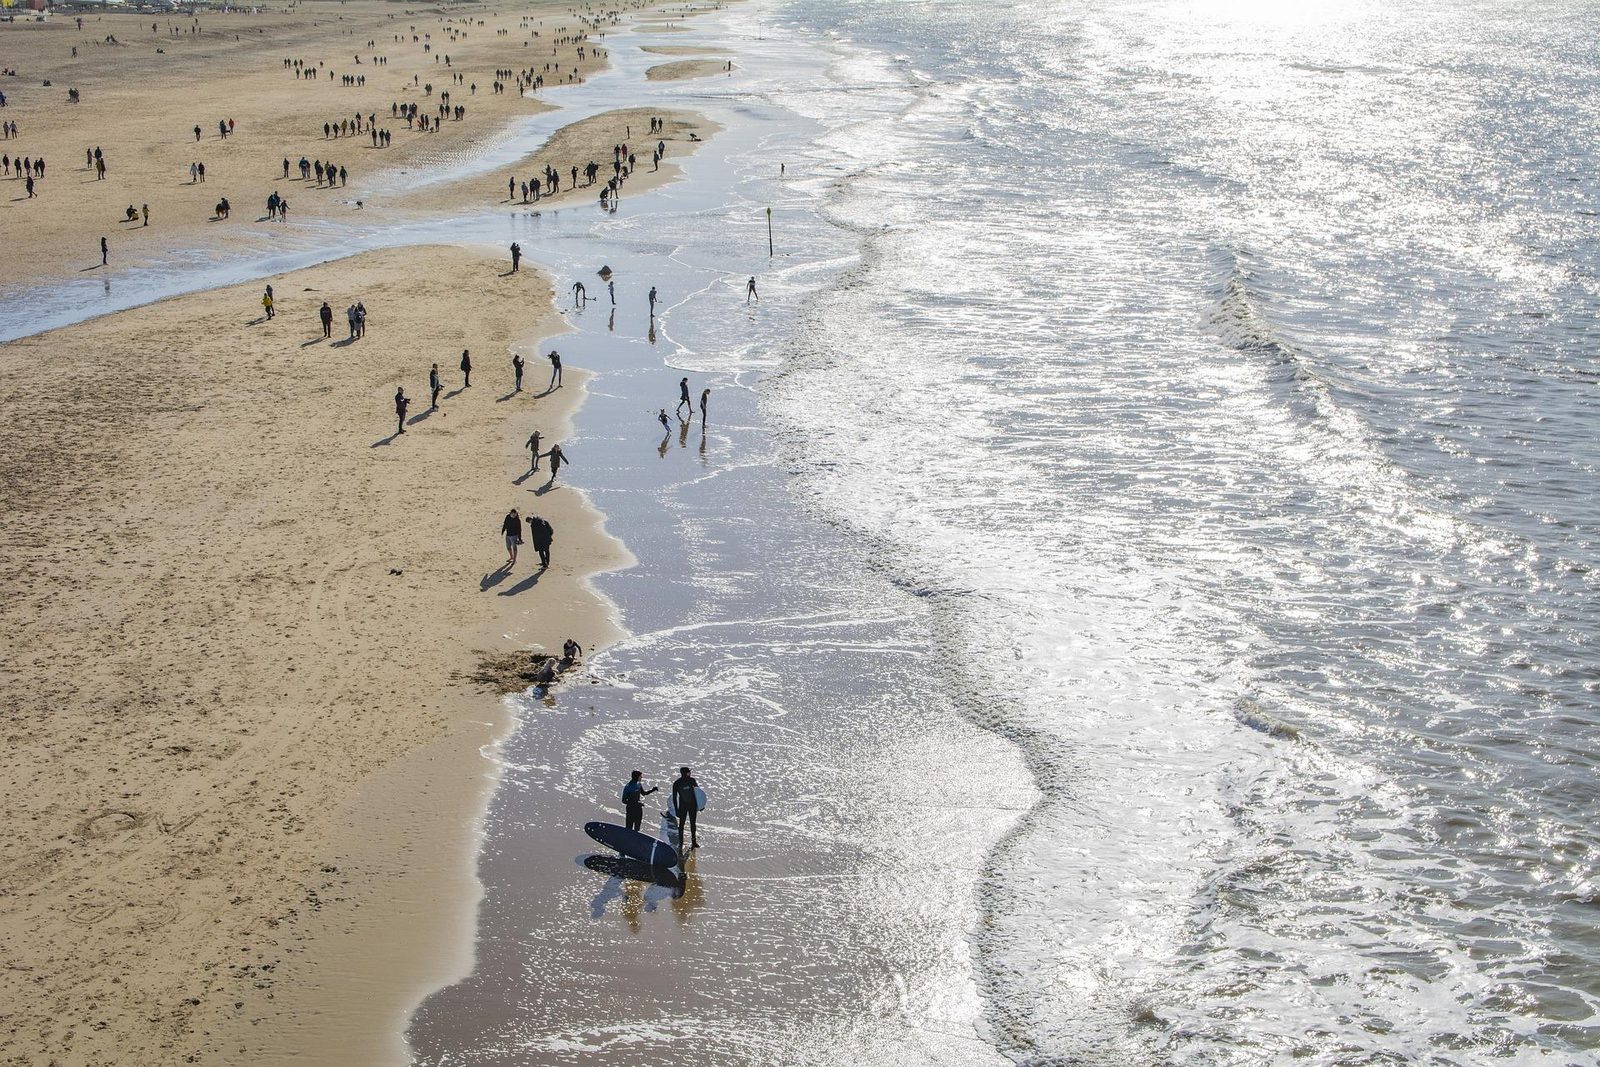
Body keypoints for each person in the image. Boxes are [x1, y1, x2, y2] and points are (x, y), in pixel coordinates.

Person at [672, 767, 701, 849]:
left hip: (691, 805)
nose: (690, 773)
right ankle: (681, 842)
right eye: (689, 772)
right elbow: (674, 797)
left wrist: (701, 805)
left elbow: (698, 793)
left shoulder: (691, 780)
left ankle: (693, 841)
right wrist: (676, 810)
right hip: (684, 806)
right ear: (686, 773)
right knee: (682, 824)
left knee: (692, 823)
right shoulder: (677, 783)